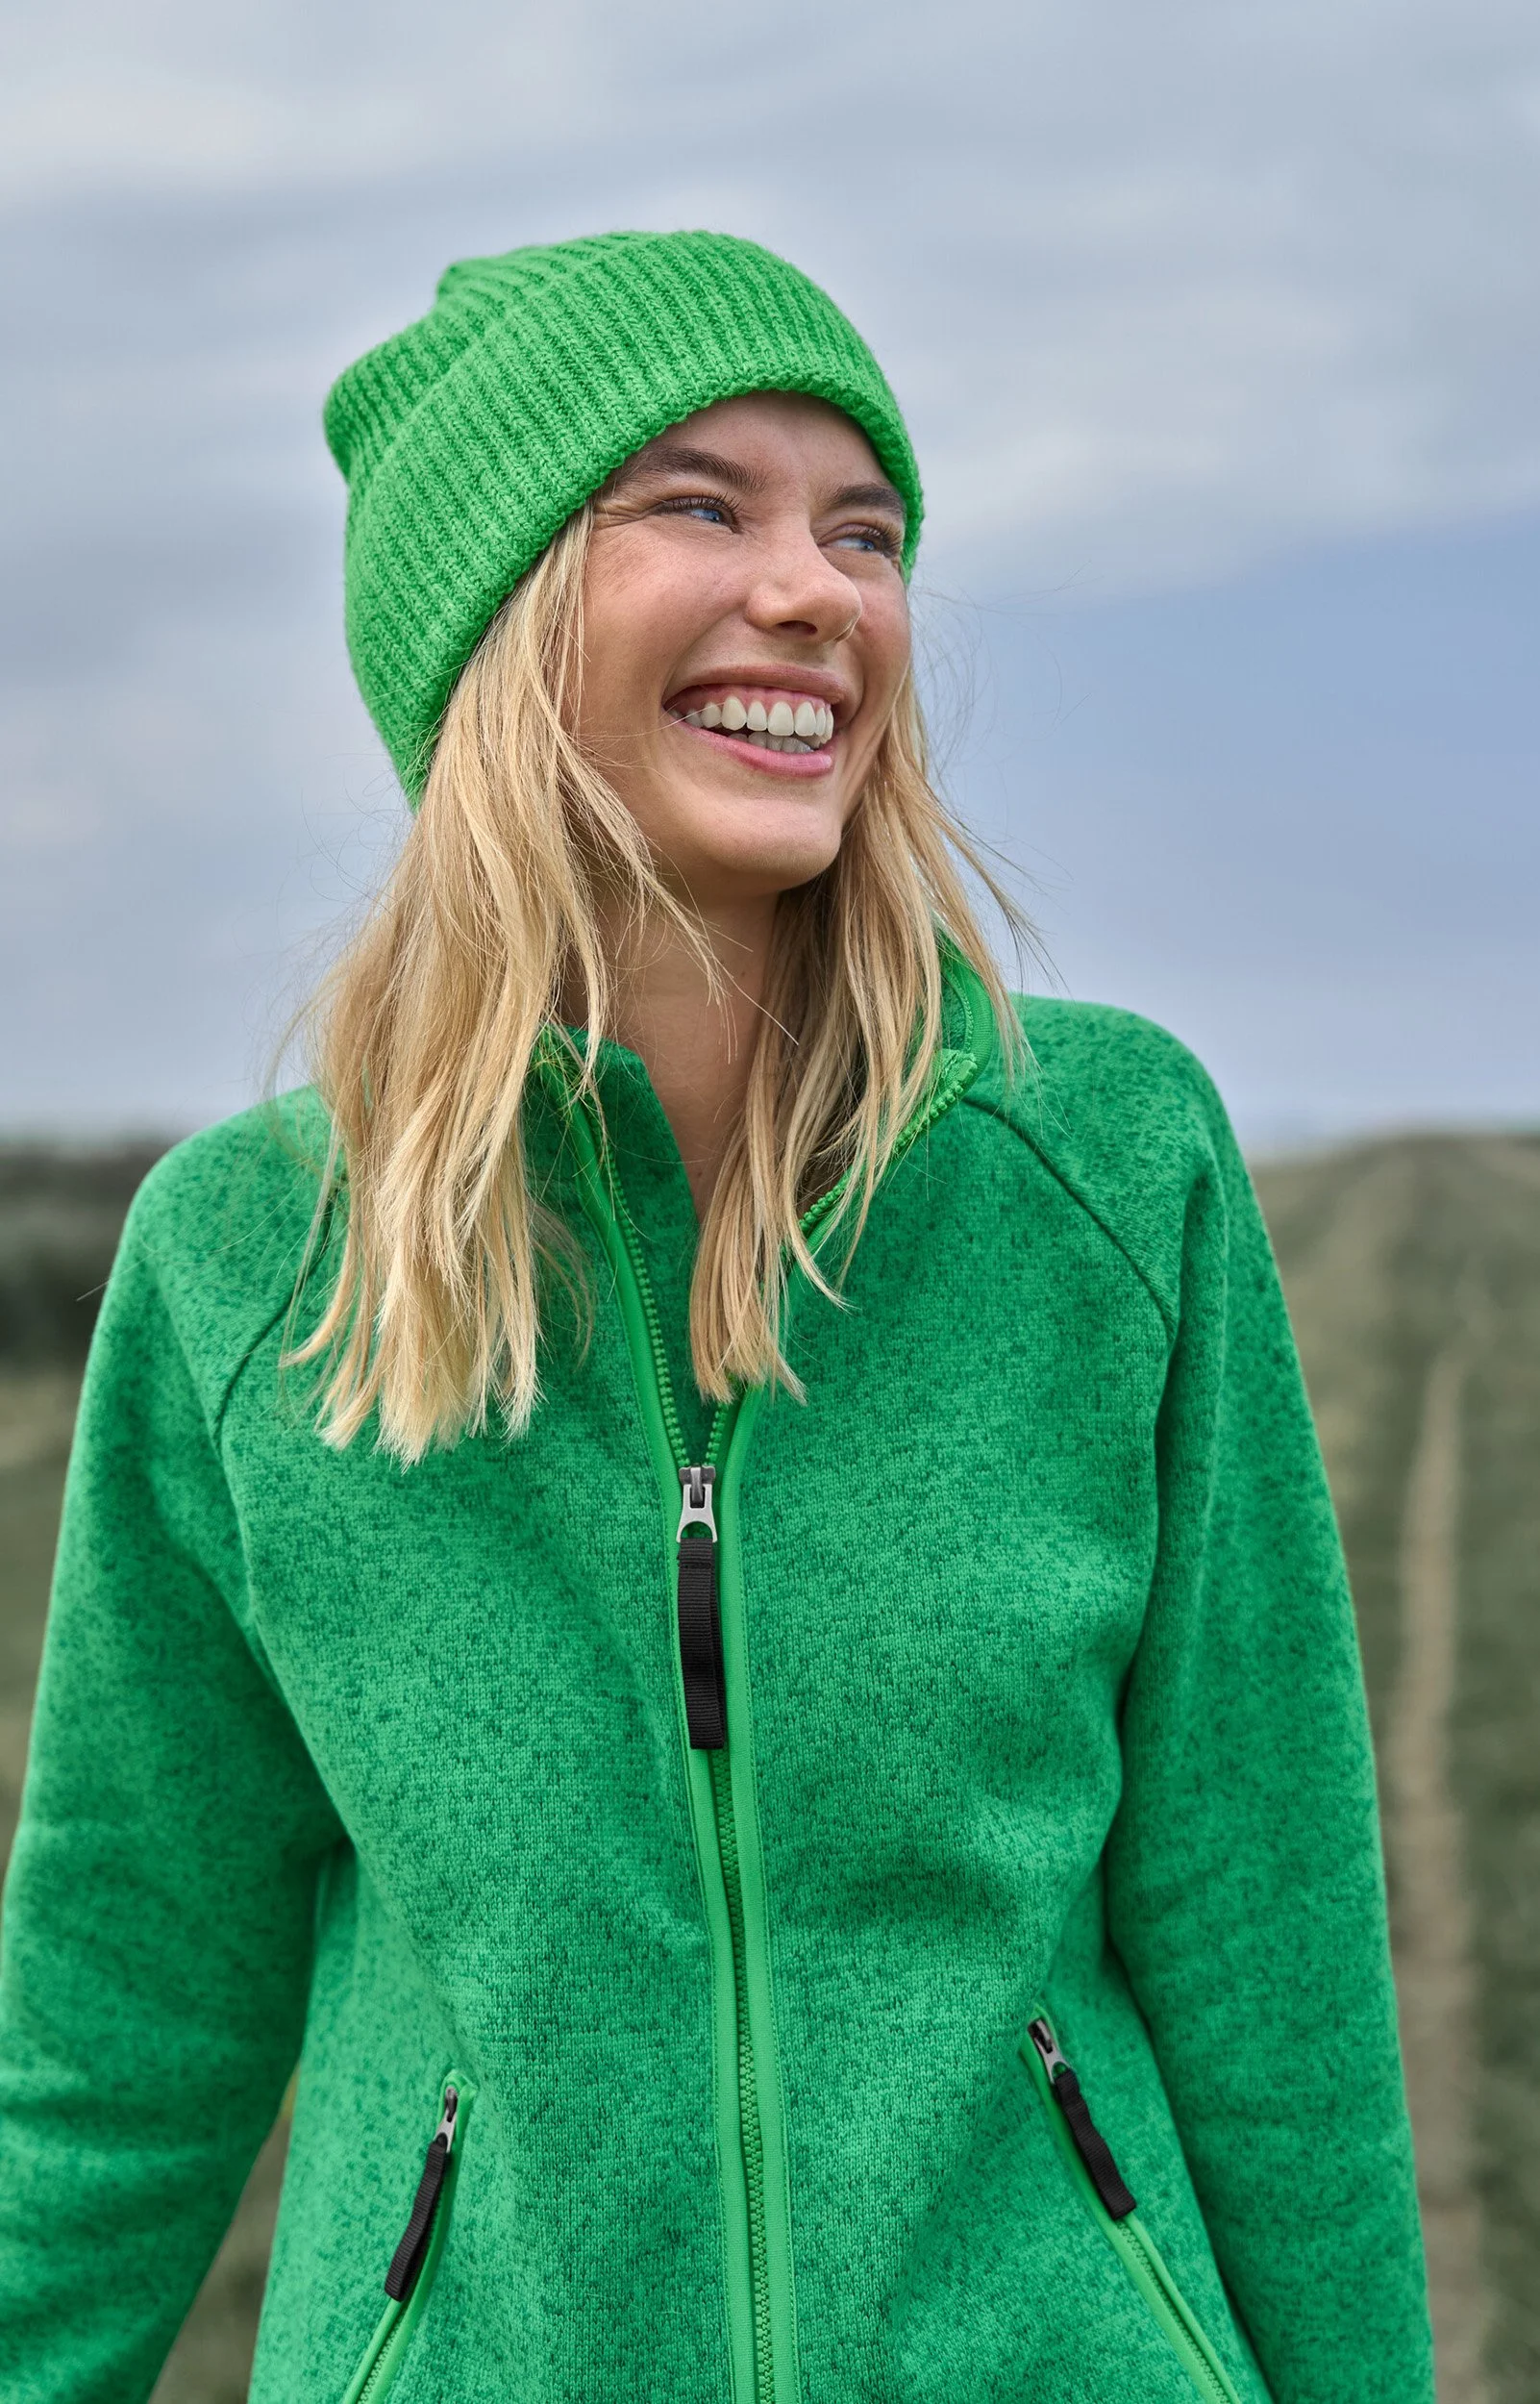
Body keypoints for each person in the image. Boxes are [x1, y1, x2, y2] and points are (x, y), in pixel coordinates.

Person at [0, 231, 1431, 2404]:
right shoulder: (244, 1264)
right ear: (491, 617)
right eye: (702, 502)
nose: (820, 591)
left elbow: (1274, 1950)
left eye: (863, 531)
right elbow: (117, 2027)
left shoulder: (1109, 1165)